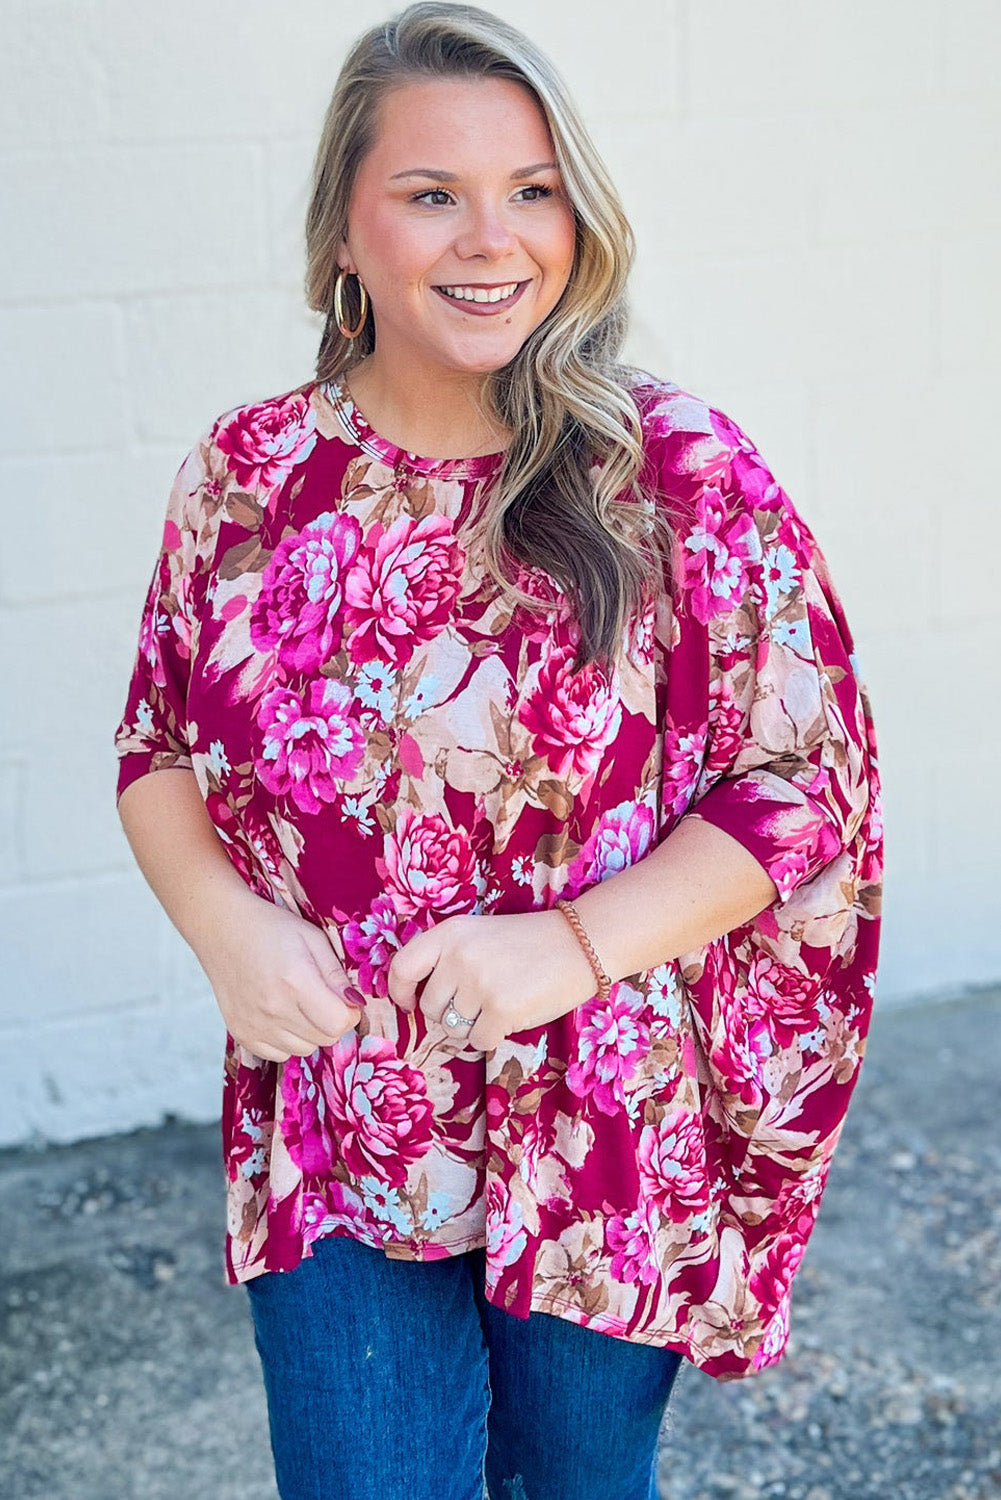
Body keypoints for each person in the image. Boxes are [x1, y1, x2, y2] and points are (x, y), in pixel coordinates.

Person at [112, 4, 883, 1497]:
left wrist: (569, 948)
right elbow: (153, 740)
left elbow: (804, 785)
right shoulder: (252, 473)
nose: (493, 238)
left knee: (576, 1485)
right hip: (341, 1110)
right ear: (344, 228)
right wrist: (224, 929)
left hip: (601, 1128)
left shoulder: (669, 471)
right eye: (430, 193)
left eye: (533, 189)